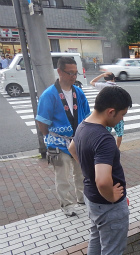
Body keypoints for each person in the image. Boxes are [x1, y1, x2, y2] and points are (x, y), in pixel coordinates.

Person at [68, 85, 140, 255]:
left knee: (97, 234)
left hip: (91, 199)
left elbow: (73, 149)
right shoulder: (104, 138)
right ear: (111, 111)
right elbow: (102, 181)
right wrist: (112, 196)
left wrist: (89, 171)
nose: (121, 120)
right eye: (122, 115)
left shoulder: (83, 126)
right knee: (113, 244)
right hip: (107, 203)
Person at [36, 56, 90, 216]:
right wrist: (48, 138)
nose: (73, 76)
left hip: (78, 140)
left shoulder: (78, 92)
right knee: (63, 177)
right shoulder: (49, 95)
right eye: (70, 73)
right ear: (59, 71)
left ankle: (82, 198)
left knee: (81, 172)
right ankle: (67, 205)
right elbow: (42, 122)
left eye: (76, 73)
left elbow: (87, 116)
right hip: (59, 142)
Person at [90, 72, 124, 148]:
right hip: (117, 113)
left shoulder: (102, 86)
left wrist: (102, 74)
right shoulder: (118, 88)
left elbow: (92, 82)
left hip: (106, 115)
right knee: (119, 133)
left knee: (105, 133)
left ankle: (104, 147)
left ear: (105, 79)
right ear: (114, 78)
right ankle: (117, 149)